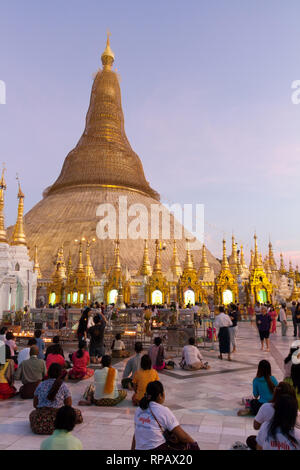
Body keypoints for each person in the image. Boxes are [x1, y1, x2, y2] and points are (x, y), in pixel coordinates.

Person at [132, 381, 199, 450]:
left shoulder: (139, 410)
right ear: (160, 395)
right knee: (186, 445)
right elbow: (183, 437)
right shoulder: (163, 410)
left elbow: (136, 433)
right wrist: (195, 445)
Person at [30, 363, 83, 434]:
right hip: (59, 418)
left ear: (48, 373)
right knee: (77, 413)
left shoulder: (41, 384)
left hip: (41, 420)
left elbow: (35, 404)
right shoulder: (63, 386)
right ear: (60, 374)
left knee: (32, 414)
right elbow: (68, 405)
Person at [246, 381, 297, 450]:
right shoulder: (297, 434)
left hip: (267, 437)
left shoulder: (266, 426)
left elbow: (256, 426)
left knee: (252, 440)